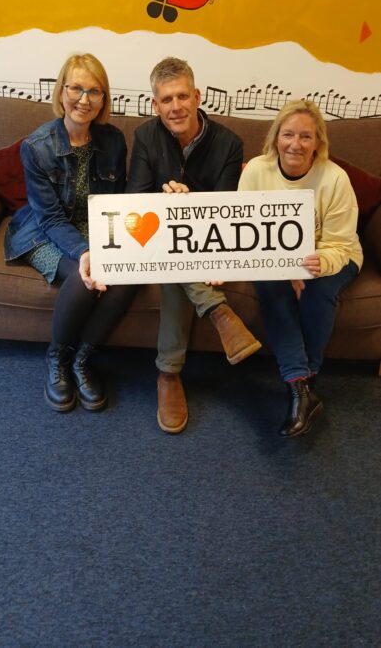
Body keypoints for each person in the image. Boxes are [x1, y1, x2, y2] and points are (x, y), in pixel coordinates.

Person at [127, 57, 261, 434]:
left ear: (197, 96)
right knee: (170, 255)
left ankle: (168, 374)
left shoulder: (229, 144)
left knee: (176, 262)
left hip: (207, 240)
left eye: (183, 96)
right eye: (166, 99)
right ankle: (219, 314)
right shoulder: (145, 136)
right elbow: (134, 200)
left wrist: (190, 203)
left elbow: (224, 211)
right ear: (155, 105)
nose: (175, 107)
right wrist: (165, 201)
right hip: (154, 235)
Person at [5, 53, 137, 412]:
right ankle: (57, 360)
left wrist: (110, 246)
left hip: (94, 229)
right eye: (76, 88)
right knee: (84, 278)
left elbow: (115, 203)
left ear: (104, 99)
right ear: (61, 92)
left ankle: (82, 359)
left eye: (94, 91)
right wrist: (84, 252)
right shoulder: (36, 146)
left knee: (126, 276)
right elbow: (49, 218)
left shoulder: (113, 141)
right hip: (43, 232)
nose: (84, 99)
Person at [238, 99, 363, 438]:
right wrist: (286, 265)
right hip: (276, 259)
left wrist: (313, 265)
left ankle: (304, 380)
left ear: (318, 143)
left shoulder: (335, 178)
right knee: (269, 285)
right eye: (288, 134)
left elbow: (340, 242)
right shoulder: (256, 172)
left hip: (335, 255)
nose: (295, 144)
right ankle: (301, 387)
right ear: (275, 137)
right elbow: (247, 231)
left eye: (306, 137)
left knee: (318, 289)